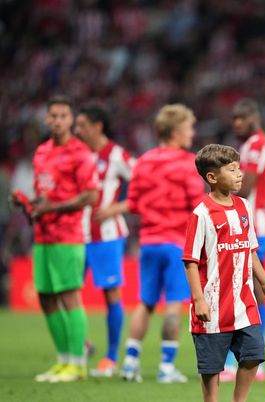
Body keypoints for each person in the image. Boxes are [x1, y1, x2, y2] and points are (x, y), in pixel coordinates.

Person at [183, 144, 265, 402]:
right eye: (232, 169)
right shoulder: (201, 214)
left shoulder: (244, 207)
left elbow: (250, 250)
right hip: (213, 306)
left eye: (239, 168)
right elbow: (190, 261)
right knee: (211, 369)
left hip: (244, 302)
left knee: (253, 355)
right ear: (212, 177)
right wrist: (199, 300)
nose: (240, 174)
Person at [12, 96, 99, 382]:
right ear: (46, 119)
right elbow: (45, 195)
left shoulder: (81, 153)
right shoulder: (41, 153)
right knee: (46, 297)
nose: (58, 120)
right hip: (44, 235)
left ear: (71, 120)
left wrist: (54, 208)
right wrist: (29, 202)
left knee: (69, 296)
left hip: (68, 235)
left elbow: (91, 195)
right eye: (53, 115)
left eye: (63, 115)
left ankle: (77, 364)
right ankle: (63, 361)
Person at [120, 104, 206, 383]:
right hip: (176, 244)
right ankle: (166, 367)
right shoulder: (187, 164)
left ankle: (130, 363)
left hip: (148, 242)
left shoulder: (143, 161)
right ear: (177, 130)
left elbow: (132, 203)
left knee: (144, 303)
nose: (192, 132)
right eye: (189, 127)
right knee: (173, 304)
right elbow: (197, 207)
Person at [74, 104, 135, 377]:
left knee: (111, 294)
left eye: (82, 125)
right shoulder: (75, 153)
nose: (77, 130)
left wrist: (115, 208)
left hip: (106, 236)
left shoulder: (117, 155)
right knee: (67, 293)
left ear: (98, 126)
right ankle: (81, 345)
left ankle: (110, 357)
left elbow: (145, 186)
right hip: (73, 234)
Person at [220, 98, 265, 382]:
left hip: (253, 225)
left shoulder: (256, 144)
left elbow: (246, 185)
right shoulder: (252, 144)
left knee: (250, 290)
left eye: (240, 118)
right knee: (248, 289)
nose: (236, 124)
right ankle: (248, 356)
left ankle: (251, 357)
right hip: (253, 224)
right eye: (233, 119)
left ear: (253, 117)